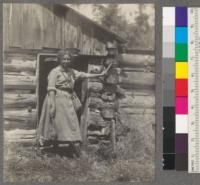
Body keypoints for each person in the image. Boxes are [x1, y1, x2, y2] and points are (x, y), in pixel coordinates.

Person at [36, 50, 110, 154]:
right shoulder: (54, 72)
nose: (66, 61)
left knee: (71, 121)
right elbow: (51, 88)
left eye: (68, 59)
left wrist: (99, 74)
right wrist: (52, 105)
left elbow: (83, 75)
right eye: (64, 59)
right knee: (57, 123)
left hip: (68, 99)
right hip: (57, 98)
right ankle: (54, 147)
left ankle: (70, 147)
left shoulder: (71, 71)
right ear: (59, 60)